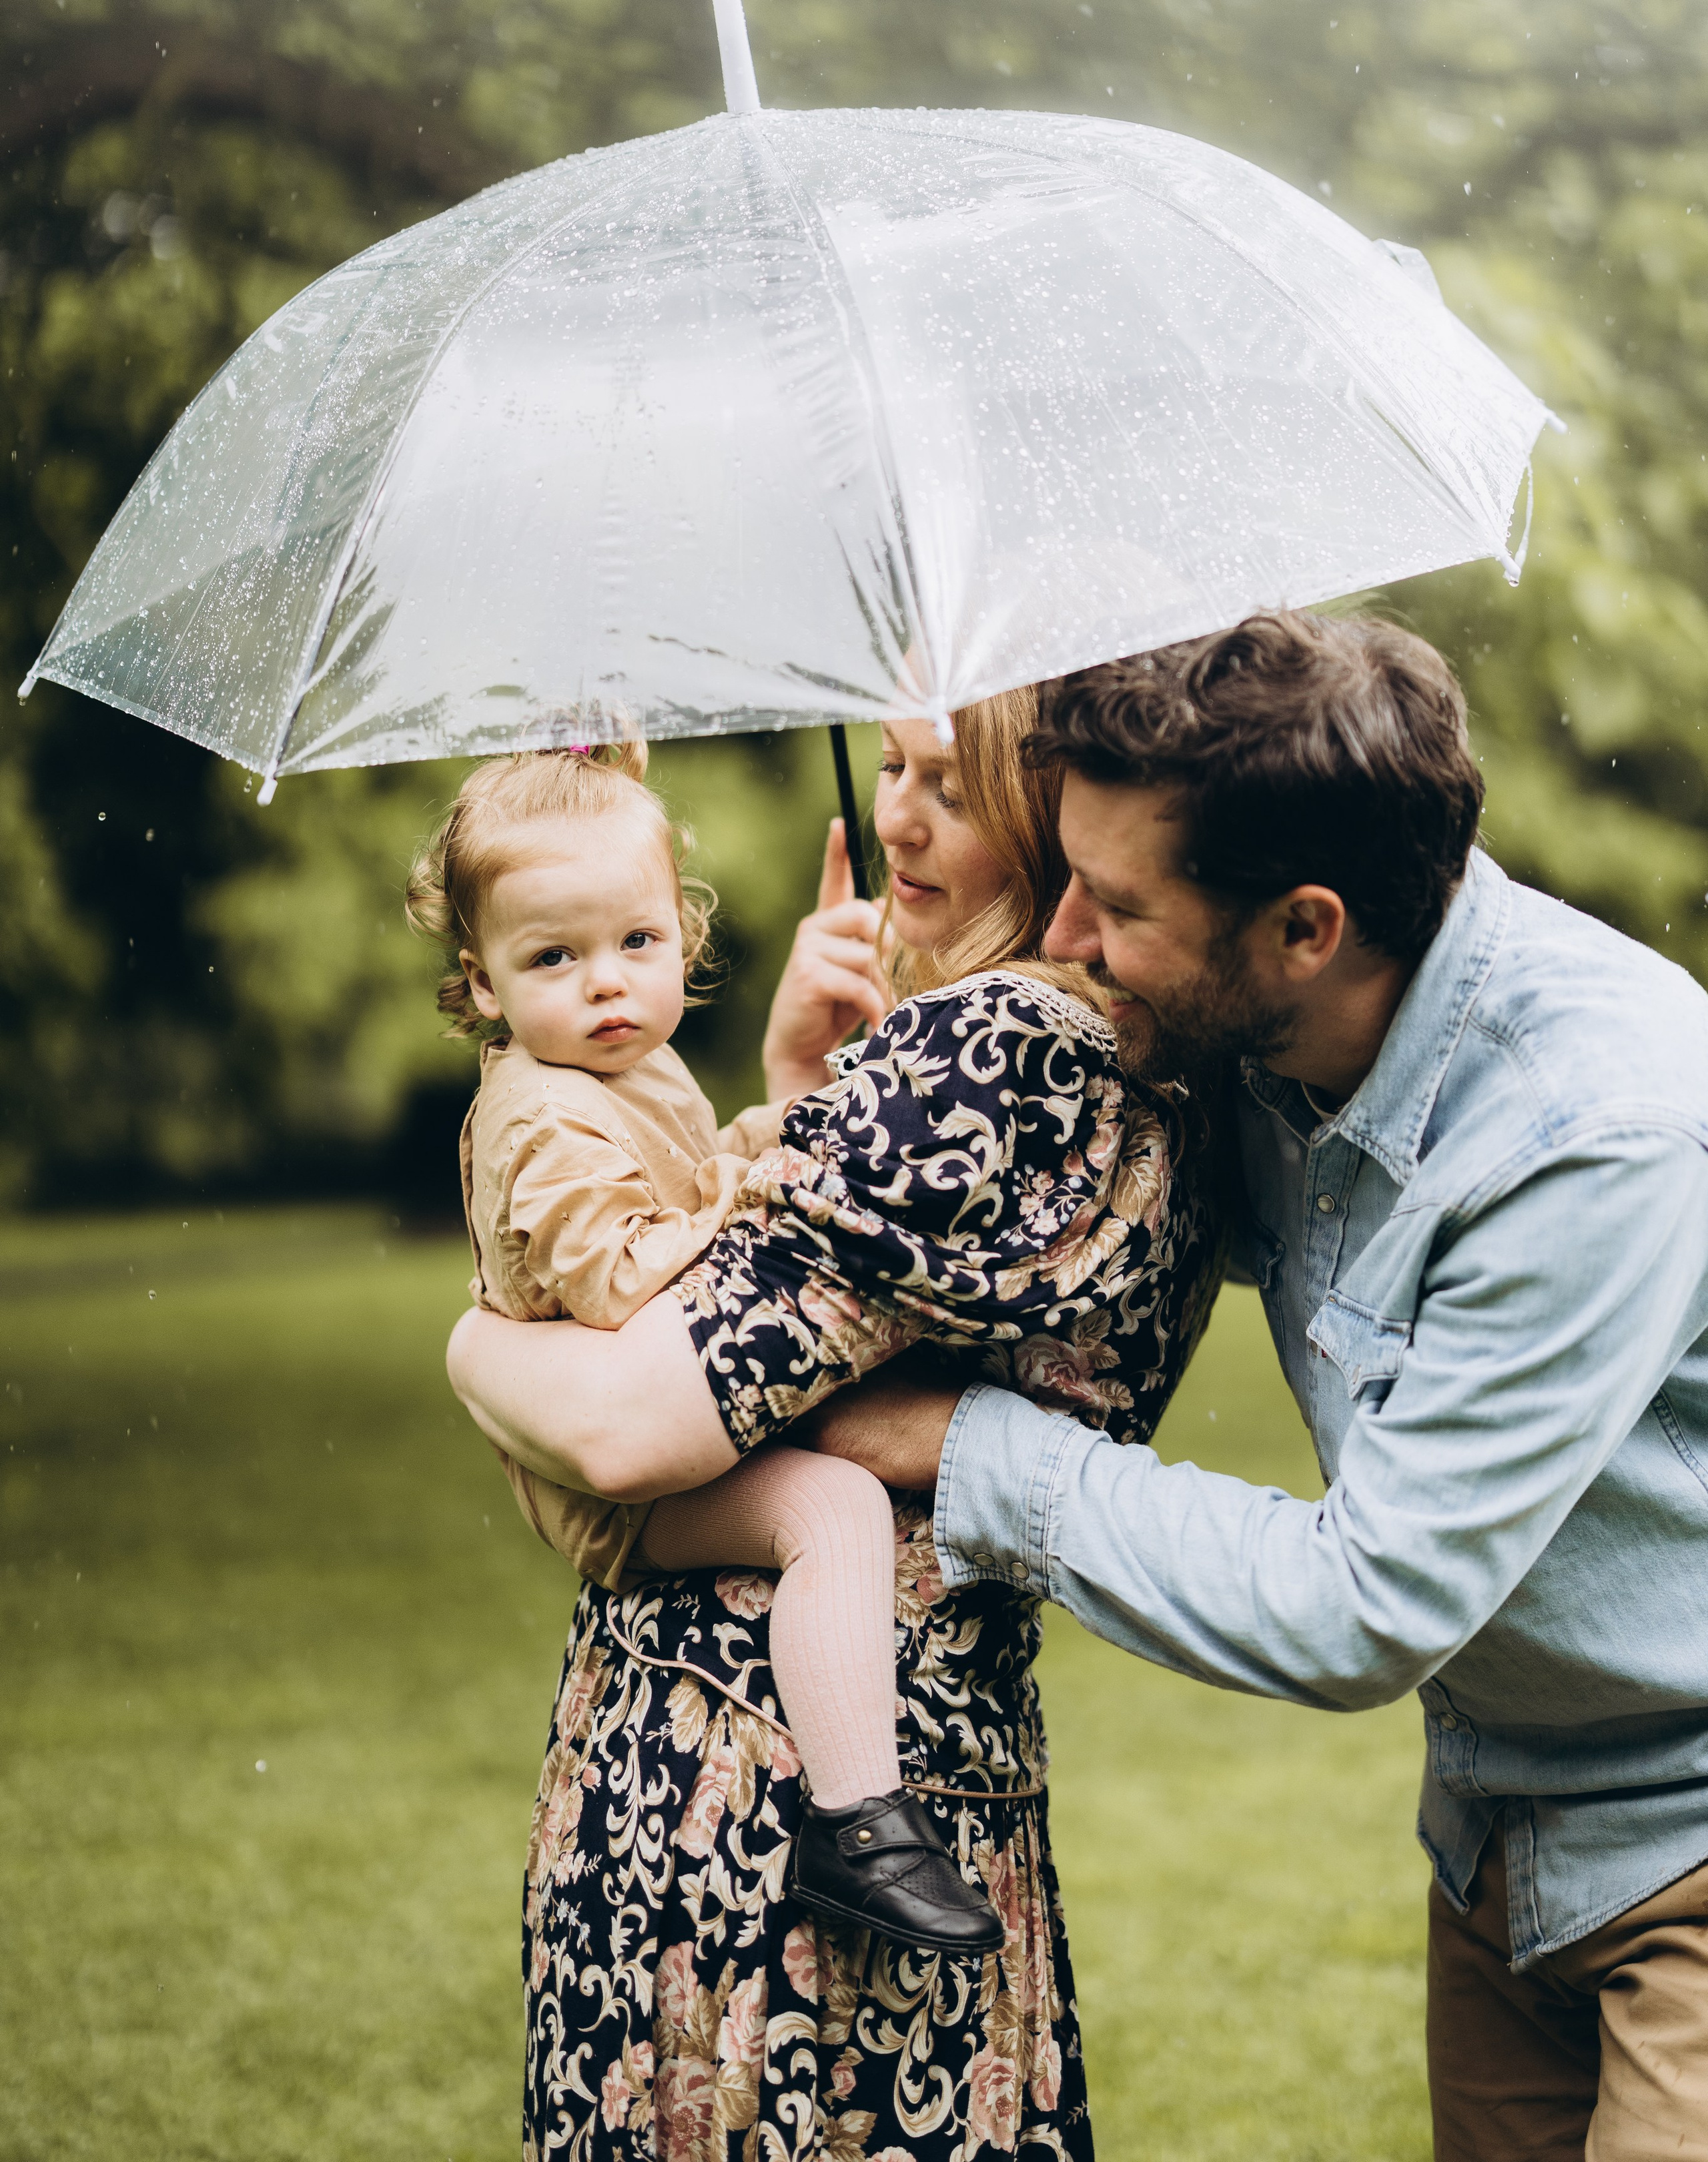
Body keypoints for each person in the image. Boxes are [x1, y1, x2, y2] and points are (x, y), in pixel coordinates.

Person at [807, 612, 1708, 2162]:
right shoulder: (1269, 1044)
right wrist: (859, 1086)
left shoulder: (1591, 1136)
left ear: (1304, 927)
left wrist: (975, 1455)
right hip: (1497, 1842)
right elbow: (1076, 1243)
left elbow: (1357, 1603)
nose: (1071, 934)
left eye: (1115, 900)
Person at [446, 689, 1227, 2162]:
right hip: (942, 1760)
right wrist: (814, 1091)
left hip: (762, 1782)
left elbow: (641, 1415)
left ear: (1058, 817)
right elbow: (809, 1320)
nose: (895, 816)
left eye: (952, 781)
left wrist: (473, 1345)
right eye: (887, 765)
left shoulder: (995, 1051)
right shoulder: (1159, 1048)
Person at [407, 741, 999, 1949]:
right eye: (553, 959)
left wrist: (768, 1131)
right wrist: (754, 1185)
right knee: (829, 1508)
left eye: (637, 943)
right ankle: (858, 1821)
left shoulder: (621, 1064)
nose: (607, 985)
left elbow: (680, 1183)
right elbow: (625, 1278)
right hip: (605, 1482)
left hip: (653, 1426)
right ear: (482, 983)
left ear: (683, 928)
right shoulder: (545, 1116)